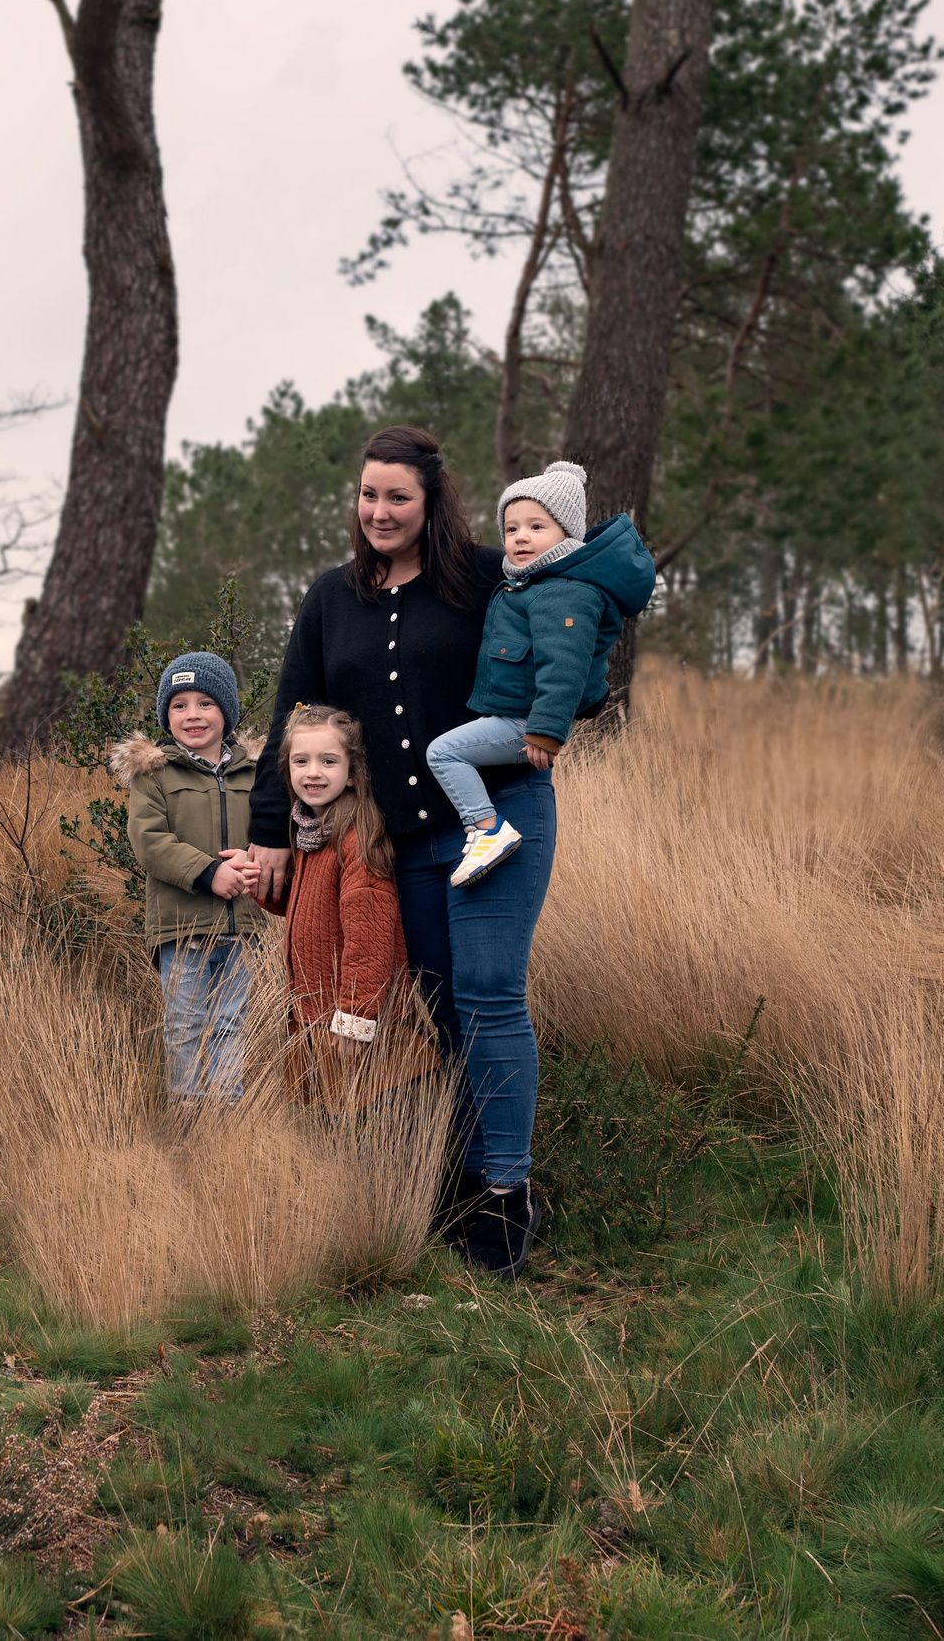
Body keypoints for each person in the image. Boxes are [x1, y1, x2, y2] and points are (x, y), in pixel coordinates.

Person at [246, 426, 548, 1279]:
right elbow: (290, 712)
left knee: (488, 992)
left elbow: (576, 612)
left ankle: (509, 1194)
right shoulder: (330, 599)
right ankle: (458, 1184)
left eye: (398, 497)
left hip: (497, 812)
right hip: (402, 840)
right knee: (439, 1011)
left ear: (430, 502)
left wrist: (572, 690)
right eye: (369, 495)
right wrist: (271, 830)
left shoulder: (486, 577)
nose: (380, 511)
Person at [426, 461, 654, 887]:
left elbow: (564, 667)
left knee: (443, 752)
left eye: (536, 526)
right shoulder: (537, 585)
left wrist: (546, 733)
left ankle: (485, 829)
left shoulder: (563, 592)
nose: (521, 538)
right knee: (451, 749)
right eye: (511, 530)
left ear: (566, 534)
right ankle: (484, 829)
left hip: (526, 724)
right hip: (519, 717)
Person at [115, 650, 265, 1102]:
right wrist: (209, 871)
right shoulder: (154, 774)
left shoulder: (256, 772)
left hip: (244, 928)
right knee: (184, 1028)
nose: (193, 715)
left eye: (206, 703)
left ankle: (226, 1124)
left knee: (230, 1026)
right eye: (179, 705)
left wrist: (252, 858)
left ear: (227, 711)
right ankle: (187, 1120)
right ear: (166, 715)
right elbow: (150, 842)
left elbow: (277, 832)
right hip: (182, 929)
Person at [258, 705, 415, 1106]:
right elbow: (311, 910)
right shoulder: (310, 832)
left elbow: (370, 938)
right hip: (313, 1017)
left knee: (369, 1131)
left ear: (352, 773)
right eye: (301, 761)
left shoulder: (355, 839)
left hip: (348, 1025)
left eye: (329, 761)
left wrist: (355, 1019)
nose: (313, 773)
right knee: (322, 1139)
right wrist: (260, 885)